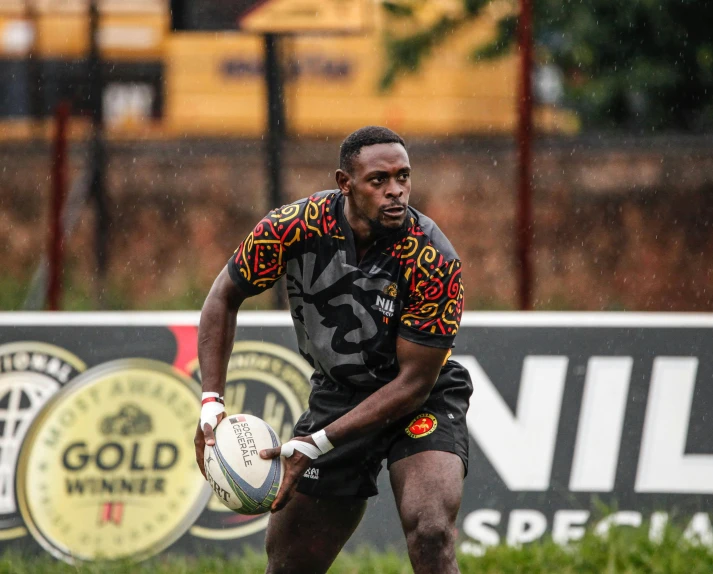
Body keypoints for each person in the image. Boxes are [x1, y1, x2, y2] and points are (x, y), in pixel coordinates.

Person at [195, 126, 472, 574]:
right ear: (345, 183)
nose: (396, 191)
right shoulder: (295, 226)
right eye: (378, 180)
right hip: (339, 394)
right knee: (289, 564)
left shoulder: (433, 258)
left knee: (431, 531)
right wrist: (211, 402)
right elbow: (222, 297)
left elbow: (414, 383)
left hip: (423, 398)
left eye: (403, 177)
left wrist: (317, 442)